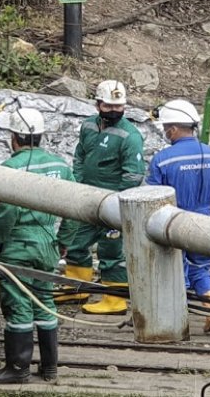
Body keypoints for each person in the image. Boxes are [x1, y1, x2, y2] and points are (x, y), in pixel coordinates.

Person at [0, 108, 76, 384]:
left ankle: (18, 368)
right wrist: (63, 242)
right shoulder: (60, 166)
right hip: (47, 243)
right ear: (41, 136)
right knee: (44, 300)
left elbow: (6, 213)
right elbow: (74, 208)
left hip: (19, 244)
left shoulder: (12, 169)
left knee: (18, 302)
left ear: (14, 138)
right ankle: (49, 368)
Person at [55, 80, 145, 315]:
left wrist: (117, 204)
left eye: (119, 106)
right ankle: (77, 288)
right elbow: (80, 156)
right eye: (109, 106)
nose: (114, 111)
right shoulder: (88, 127)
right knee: (76, 244)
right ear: (98, 105)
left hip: (112, 204)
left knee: (111, 252)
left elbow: (133, 175)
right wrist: (78, 185)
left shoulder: (130, 136)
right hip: (86, 199)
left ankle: (115, 301)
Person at [145, 99, 210, 332]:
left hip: (172, 223)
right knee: (200, 269)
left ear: (172, 129)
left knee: (174, 271)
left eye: (165, 129)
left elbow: (152, 198)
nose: (165, 133)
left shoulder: (163, 159)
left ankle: (174, 323)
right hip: (204, 221)